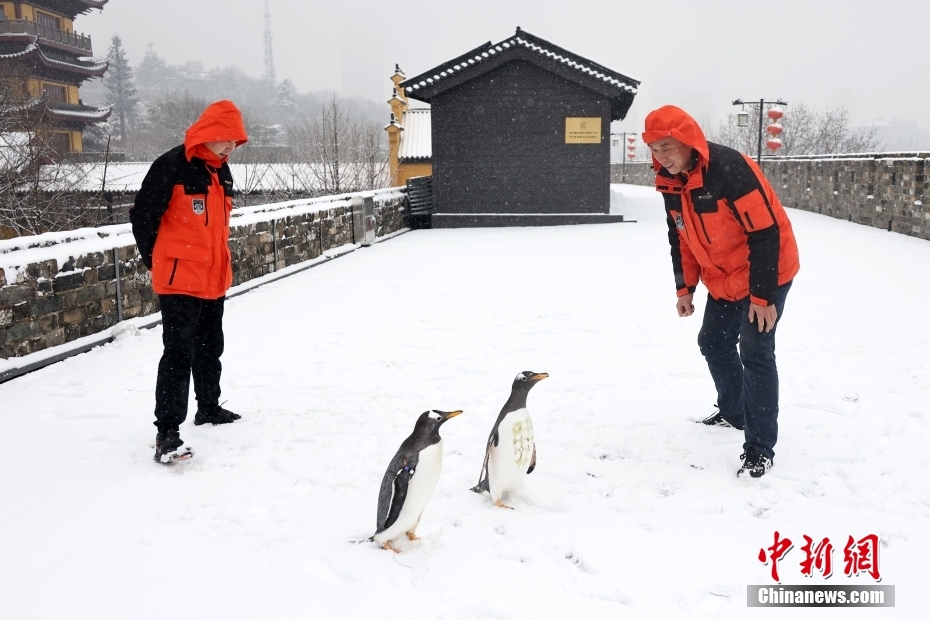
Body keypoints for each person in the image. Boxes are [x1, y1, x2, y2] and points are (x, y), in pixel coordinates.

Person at [643, 105, 800, 479]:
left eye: (667, 146)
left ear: (687, 140)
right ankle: (733, 412)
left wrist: (762, 298)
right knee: (713, 341)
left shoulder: (731, 170)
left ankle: (760, 448)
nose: (661, 157)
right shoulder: (670, 181)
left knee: (757, 351)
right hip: (724, 275)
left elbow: (765, 234)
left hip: (768, 271)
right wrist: (685, 288)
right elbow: (679, 234)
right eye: (654, 149)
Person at [130, 100, 249, 463]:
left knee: (211, 346)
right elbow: (143, 217)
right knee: (179, 354)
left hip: (213, 277)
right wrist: (160, 261)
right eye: (226, 139)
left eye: (236, 141)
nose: (231, 146)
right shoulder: (171, 166)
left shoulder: (222, 173)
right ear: (209, 132)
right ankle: (167, 433)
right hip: (180, 279)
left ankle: (208, 407)